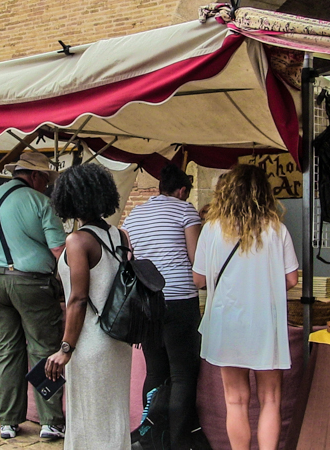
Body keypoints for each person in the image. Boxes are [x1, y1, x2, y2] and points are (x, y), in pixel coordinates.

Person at [192, 164, 299, 450]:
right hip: (265, 321)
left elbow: (199, 279)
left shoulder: (211, 229)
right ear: (264, 193)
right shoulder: (277, 229)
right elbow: (291, 279)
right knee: (270, 399)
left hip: (227, 321)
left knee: (235, 400)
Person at [0, 152, 66, 440]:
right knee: (43, 351)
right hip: (30, 284)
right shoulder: (39, 201)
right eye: (45, 179)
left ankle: (8, 421)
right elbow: (59, 251)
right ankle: (50, 421)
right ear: (35, 176)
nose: (46, 185)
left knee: (5, 352)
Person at [45, 163, 131, 450]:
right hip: (118, 338)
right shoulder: (120, 236)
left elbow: (78, 299)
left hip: (89, 341)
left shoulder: (77, 241)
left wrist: (65, 348)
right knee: (113, 416)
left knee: (89, 418)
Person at [122, 164, 204, 449]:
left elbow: (131, 261)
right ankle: (178, 441)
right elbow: (197, 259)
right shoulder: (185, 211)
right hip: (180, 300)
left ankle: (151, 436)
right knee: (182, 373)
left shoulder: (133, 217)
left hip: (147, 304)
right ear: (182, 191)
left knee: (155, 372)